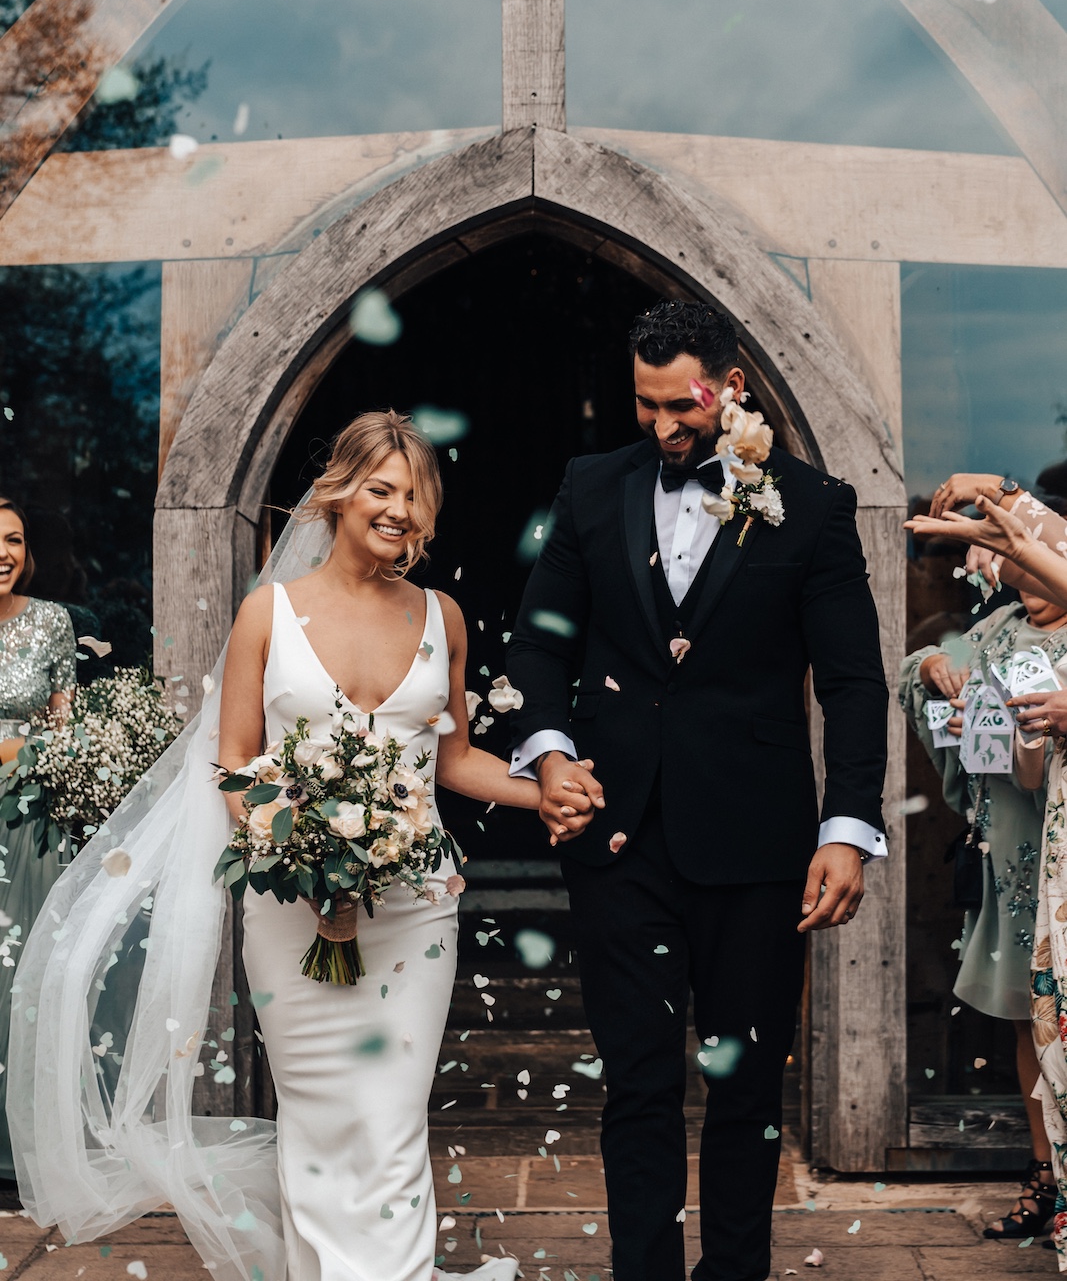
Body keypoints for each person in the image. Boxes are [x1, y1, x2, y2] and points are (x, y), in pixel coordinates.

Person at [9, 412, 588, 1281]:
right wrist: (303, 854)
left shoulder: (443, 615)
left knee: (391, 1113)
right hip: (291, 905)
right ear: (340, 493)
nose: (399, 510)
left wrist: (541, 786)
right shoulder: (266, 613)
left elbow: (456, 756)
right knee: (321, 1114)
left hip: (415, 902)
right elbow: (234, 763)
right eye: (382, 489)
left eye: (416, 496)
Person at [506, 299, 889, 1281]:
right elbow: (539, 643)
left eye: (683, 405)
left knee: (745, 1086)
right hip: (615, 840)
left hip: (756, 847)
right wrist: (549, 754)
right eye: (646, 404)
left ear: (731, 384)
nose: (664, 427)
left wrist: (845, 826)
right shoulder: (589, 487)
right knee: (634, 1082)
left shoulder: (811, 504)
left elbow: (849, 681)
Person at [899, 589, 1067, 1239]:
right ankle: (1043, 1176)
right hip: (1007, 846)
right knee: (1032, 1019)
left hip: (1056, 836)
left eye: (1037, 565)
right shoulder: (997, 624)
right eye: (1013, 568)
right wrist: (931, 666)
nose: (1025, 583)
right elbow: (931, 666)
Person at [0, 497, 76, 1180]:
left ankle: (22, 1146)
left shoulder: (52, 622)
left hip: (27, 821)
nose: (4, 552)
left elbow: (63, 726)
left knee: (24, 976)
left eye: (14, 539)